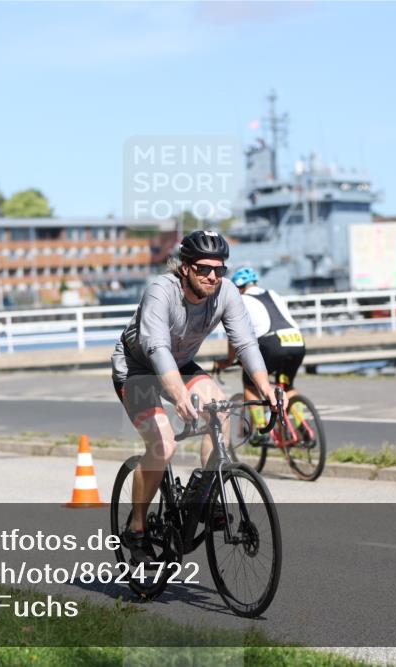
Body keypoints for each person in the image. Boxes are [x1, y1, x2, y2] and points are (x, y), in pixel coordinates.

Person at [111, 231, 278, 565]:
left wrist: (266, 387)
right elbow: (156, 347)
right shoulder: (162, 291)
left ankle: (205, 493)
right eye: (203, 268)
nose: (213, 276)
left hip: (182, 363)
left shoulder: (226, 292)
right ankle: (138, 528)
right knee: (164, 446)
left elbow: (245, 343)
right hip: (138, 367)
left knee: (222, 410)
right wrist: (177, 394)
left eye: (219, 269)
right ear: (185, 267)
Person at [213, 267, 306, 432]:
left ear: (238, 288)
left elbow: (235, 336)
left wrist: (229, 360)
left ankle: (262, 431)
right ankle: (302, 426)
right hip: (296, 341)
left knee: (250, 385)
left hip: (272, 343)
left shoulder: (241, 300)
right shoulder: (273, 294)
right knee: (287, 386)